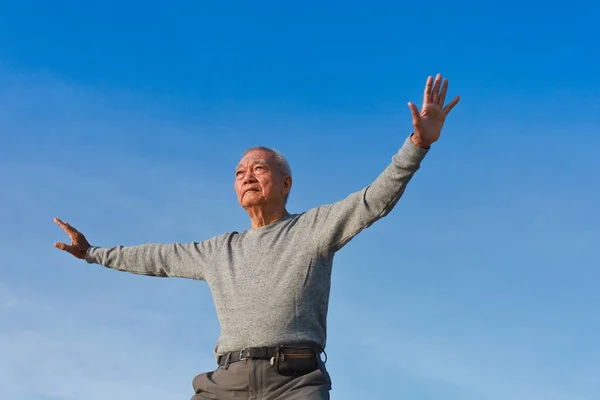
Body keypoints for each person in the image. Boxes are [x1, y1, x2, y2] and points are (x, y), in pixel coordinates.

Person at [54, 74, 460, 400]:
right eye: (239, 172)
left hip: (294, 382)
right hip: (225, 383)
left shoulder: (313, 228)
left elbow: (374, 200)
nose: (247, 174)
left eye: (258, 168)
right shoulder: (217, 251)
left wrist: (418, 144)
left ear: (285, 183)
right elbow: (156, 257)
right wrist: (92, 252)